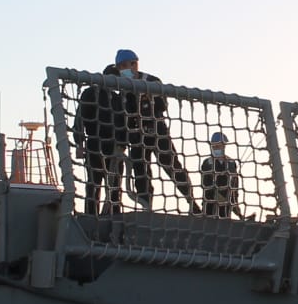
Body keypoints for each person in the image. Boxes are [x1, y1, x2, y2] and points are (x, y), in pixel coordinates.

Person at [115, 50, 197, 213]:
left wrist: (146, 97)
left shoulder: (151, 81)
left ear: (134, 64)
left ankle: (192, 202)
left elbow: (162, 106)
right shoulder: (123, 87)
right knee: (141, 171)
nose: (123, 70)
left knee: (173, 166)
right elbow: (125, 114)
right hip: (137, 135)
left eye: (125, 65)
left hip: (157, 131)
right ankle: (147, 205)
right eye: (120, 67)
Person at [73, 65, 126, 216]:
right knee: (94, 185)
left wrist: (122, 146)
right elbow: (80, 119)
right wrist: (79, 144)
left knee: (115, 189)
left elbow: (124, 124)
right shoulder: (91, 94)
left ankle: (114, 218)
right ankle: (92, 217)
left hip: (115, 147)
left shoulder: (118, 98)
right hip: (95, 143)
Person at [200, 131, 242, 218]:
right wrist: (216, 194)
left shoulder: (231, 163)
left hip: (226, 204)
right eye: (214, 146)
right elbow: (206, 184)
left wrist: (235, 202)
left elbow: (235, 183)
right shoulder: (208, 163)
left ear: (223, 146)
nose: (216, 148)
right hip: (210, 204)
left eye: (218, 146)